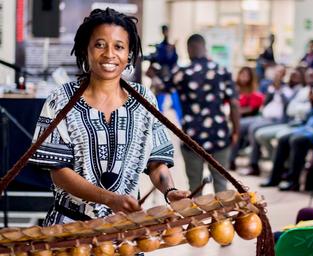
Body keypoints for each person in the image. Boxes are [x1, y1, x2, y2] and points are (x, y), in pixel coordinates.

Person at [28, 8, 190, 226]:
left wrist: (170, 191)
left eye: (119, 47)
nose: (109, 54)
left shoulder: (144, 100)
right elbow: (58, 171)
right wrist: (109, 199)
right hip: (69, 229)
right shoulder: (60, 99)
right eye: (100, 44)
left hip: (125, 233)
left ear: (129, 54)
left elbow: (157, 163)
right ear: (86, 49)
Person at [148, 34, 240, 194]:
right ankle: (222, 218)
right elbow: (234, 103)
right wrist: (236, 131)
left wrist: (153, 75)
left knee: (195, 187)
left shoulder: (182, 73)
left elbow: (161, 89)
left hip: (192, 138)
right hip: (219, 136)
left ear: (189, 49)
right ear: (205, 47)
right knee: (221, 186)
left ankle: (198, 218)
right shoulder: (222, 71)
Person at [229, 66, 264, 170]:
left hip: (249, 119)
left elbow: (252, 108)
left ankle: (231, 160)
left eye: (246, 75)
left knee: (236, 128)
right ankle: (228, 159)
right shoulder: (233, 89)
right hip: (233, 118)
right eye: (242, 74)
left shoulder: (255, 93)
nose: (244, 77)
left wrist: (236, 111)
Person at [146, 25, 183, 122]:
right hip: (161, 79)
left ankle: (181, 123)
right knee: (158, 105)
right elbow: (155, 62)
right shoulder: (160, 47)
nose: (166, 33)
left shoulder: (171, 47)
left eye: (166, 31)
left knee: (176, 103)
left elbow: (174, 62)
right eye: (164, 31)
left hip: (171, 79)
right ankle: (157, 122)